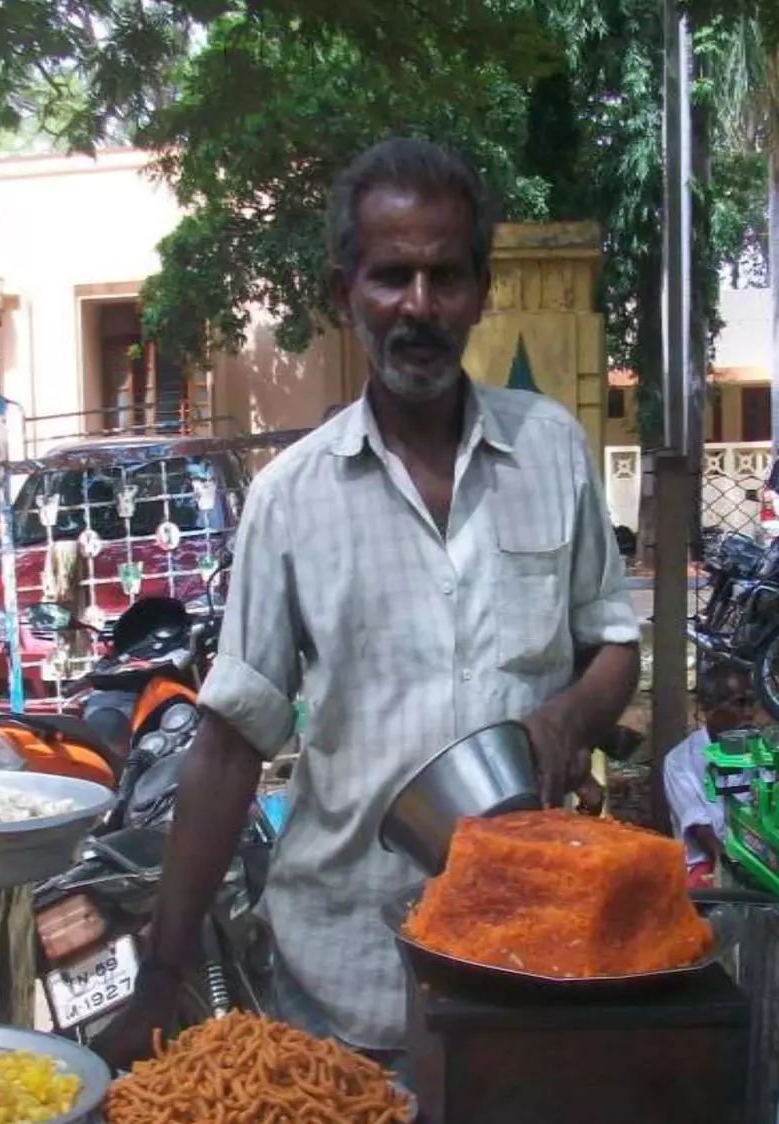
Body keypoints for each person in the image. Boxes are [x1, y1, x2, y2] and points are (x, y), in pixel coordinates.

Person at [98, 138, 641, 1070]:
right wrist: (164, 968)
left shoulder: (551, 450)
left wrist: (569, 714)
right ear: (343, 289)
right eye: (392, 276)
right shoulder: (291, 499)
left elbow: (613, 643)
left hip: (529, 962)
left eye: (445, 276)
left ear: (479, 289)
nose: (419, 307)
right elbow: (232, 740)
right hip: (345, 986)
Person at [662, 665, 750, 886]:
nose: (748, 714)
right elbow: (699, 828)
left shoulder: (760, 752)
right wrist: (730, 864)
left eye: (750, 703)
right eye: (738, 703)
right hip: (709, 859)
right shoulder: (680, 761)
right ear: (708, 706)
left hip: (758, 856)